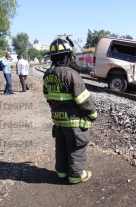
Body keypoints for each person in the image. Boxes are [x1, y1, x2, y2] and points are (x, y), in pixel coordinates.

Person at [43, 37, 97, 184]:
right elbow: (84, 99)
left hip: (58, 121)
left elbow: (48, 97)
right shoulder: (71, 74)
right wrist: (92, 115)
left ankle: (61, 172)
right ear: (67, 56)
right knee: (75, 148)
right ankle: (75, 176)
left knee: (61, 147)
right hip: (73, 123)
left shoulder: (48, 74)